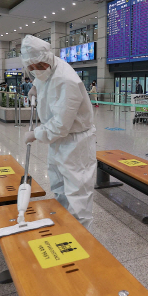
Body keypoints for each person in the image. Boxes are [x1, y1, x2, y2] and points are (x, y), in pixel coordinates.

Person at [21, 35, 96, 229]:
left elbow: (61, 125)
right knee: (59, 185)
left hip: (75, 141)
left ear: (47, 58)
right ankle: (65, 225)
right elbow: (44, 78)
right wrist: (35, 87)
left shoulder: (66, 80)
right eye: (32, 68)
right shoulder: (47, 69)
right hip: (58, 140)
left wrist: (36, 134)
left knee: (77, 191)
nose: (36, 71)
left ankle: (81, 235)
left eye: (39, 66)